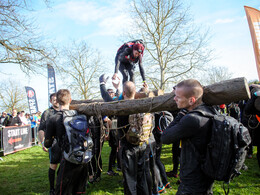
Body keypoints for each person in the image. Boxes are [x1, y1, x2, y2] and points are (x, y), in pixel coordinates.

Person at [162, 79, 214, 195]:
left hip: (192, 182)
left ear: (191, 100)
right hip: (205, 176)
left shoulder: (192, 119)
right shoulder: (208, 110)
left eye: (178, 97)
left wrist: (180, 114)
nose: (174, 99)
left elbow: (165, 137)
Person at [44, 89, 88, 195]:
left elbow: (47, 143)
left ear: (57, 101)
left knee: (63, 191)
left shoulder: (53, 119)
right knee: (79, 191)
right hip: (83, 158)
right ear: (70, 100)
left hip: (68, 159)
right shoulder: (81, 115)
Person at [117, 81, 149, 195]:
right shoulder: (141, 105)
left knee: (130, 180)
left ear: (124, 92)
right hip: (142, 145)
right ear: (135, 92)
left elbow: (120, 130)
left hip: (128, 148)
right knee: (142, 178)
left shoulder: (121, 108)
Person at [38, 93, 61, 195]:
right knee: (53, 165)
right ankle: (52, 189)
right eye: (54, 100)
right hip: (53, 142)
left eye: (57, 99)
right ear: (51, 101)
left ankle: (61, 186)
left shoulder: (64, 111)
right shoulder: (47, 113)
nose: (56, 101)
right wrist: (43, 142)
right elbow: (41, 129)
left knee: (64, 164)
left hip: (64, 142)